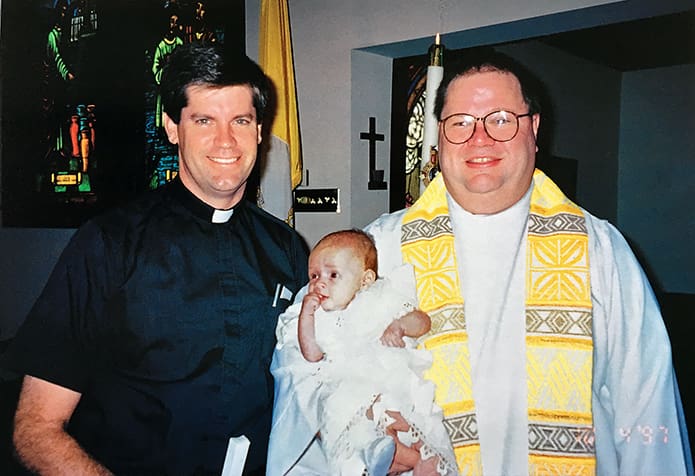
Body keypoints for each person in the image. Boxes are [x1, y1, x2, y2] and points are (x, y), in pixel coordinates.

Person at [360, 49, 693, 475]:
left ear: (534, 129)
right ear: (438, 136)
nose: (480, 139)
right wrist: (373, 450)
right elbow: (327, 378)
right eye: (460, 123)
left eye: (501, 119)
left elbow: (646, 406)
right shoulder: (381, 248)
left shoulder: (599, 250)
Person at [2, 42, 308, 476]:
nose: (226, 140)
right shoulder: (109, 244)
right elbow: (36, 428)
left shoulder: (288, 249)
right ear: (171, 127)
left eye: (241, 120)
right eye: (204, 120)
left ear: (260, 130)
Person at [269, 229, 457, 475]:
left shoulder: (382, 297)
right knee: (352, 428)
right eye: (314, 275)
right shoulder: (319, 317)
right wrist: (307, 315)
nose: (319, 282)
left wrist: (400, 326)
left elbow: (423, 321)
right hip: (349, 391)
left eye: (333, 274)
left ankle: (421, 459)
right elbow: (312, 354)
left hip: (390, 382)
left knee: (405, 417)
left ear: (365, 279)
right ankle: (387, 455)